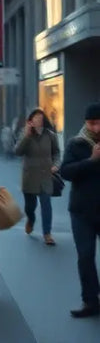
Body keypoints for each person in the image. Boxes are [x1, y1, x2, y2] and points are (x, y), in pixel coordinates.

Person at [60, 102, 100, 318]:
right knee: (85, 256)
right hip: (81, 211)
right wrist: (92, 161)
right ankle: (90, 301)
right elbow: (66, 172)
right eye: (91, 123)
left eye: (98, 123)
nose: (95, 128)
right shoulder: (76, 143)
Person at [14, 108, 60, 246]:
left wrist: (56, 165)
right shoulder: (25, 134)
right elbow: (18, 151)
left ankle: (47, 234)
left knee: (46, 205)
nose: (38, 121)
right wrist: (27, 136)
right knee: (30, 206)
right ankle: (30, 219)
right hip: (30, 176)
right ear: (31, 121)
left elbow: (57, 153)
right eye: (35, 118)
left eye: (40, 118)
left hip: (46, 175)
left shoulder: (50, 135)